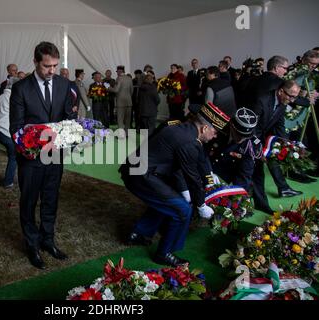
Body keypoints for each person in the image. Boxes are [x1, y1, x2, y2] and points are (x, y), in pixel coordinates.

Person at [120, 102, 229, 266]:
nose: (215, 137)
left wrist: (208, 175)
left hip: (139, 171)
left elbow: (199, 160)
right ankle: (164, 253)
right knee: (182, 210)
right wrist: (200, 205)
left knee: (168, 203)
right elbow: (192, 178)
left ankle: (139, 233)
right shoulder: (189, 141)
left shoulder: (184, 130)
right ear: (204, 128)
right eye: (214, 132)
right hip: (142, 176)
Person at [9, 41, 76, 269]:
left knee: (51, 199)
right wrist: (41, 141)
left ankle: (48, 240)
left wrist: (69, 137)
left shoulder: (64, 85)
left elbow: (69, 119)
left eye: (55, 66)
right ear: (36, 62)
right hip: (31, 159)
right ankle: (32, 245)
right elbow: (16, 127)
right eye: (47, 66)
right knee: (29, 201)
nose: (52, 71)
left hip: (55, 156)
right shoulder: (20, 88)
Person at [251, 80, 303, 213]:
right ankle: (261, 204)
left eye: (295, 97)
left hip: (262, 135)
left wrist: (286, 145)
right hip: (248, 136)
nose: (292, 100)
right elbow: (252, 128)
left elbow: (279, 126)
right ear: (281, 91)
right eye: (291, 96)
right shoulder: (261, 100)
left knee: (270, 159)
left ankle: (281, 189)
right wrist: (259, 149)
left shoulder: (283, 102)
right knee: (256, 172)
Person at [207, 107, 261, 191]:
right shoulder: (217, 129)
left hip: (222, 182)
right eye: (238, 134)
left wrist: (237, 194)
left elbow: (244, 175)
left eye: (245, 136)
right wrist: (208, 173)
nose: (241, 139)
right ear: (231, 124)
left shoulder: (250, 146)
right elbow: (202, 151)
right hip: (204, 170)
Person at [0, 77, 20, 188]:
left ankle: (10, 178)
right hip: (6, 130)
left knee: (13, 155)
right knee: (13, 156)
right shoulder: (12, 98)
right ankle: (8, 181)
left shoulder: (1, 96)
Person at [109, 65, 134, 134]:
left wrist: (109, 88)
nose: (117, 73)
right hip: (129, 102)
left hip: (120, 103)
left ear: (120, 71)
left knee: (120, 120)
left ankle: (121, 135)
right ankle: (127, 134)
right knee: (127, 120)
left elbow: (116, 90)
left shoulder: (119, 78)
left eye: (117, 71)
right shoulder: (129, 78)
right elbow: (132, 90)